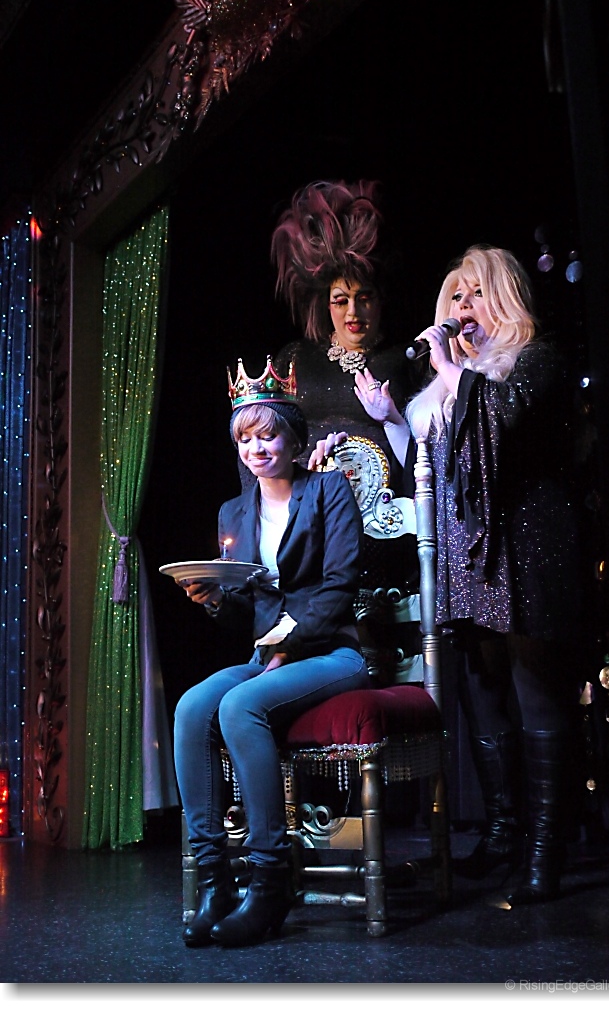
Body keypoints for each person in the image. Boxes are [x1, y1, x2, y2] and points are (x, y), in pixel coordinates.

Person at [318, 244, 586, 906]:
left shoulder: (535, 361)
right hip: (468, 562)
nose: (462, 308)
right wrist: (391, 419)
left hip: (527, 550)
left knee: (536, 696)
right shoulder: (448, 387)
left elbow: (500, 424)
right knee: (485, 696)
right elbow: (432, 470)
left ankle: (545, 851)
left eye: (475, 294)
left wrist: (450, 370)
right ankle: (502, 833)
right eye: (455, 297)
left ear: (505, 297)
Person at [173, 358, 369, 948]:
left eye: (268, 435)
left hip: (332, 654)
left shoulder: (328, 490)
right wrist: (213, 599)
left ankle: (269, 880)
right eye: (245, 439)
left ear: (293, 439)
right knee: (191, 708)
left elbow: (340, 585)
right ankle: (215, 880)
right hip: (268, 660)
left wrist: (291, 640)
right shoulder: (234, 512)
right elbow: (245, 613)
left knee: (240, 706)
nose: (256, 449)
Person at [270, 179, 423, 686]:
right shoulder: (297, 359)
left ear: (380, 301)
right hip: (315, 529)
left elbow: (425, 448)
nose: (353, 312)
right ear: (325, 304)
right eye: (341, 300)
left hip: (391, 533)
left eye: (364, 298)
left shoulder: (404, 361)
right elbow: (264, 441)